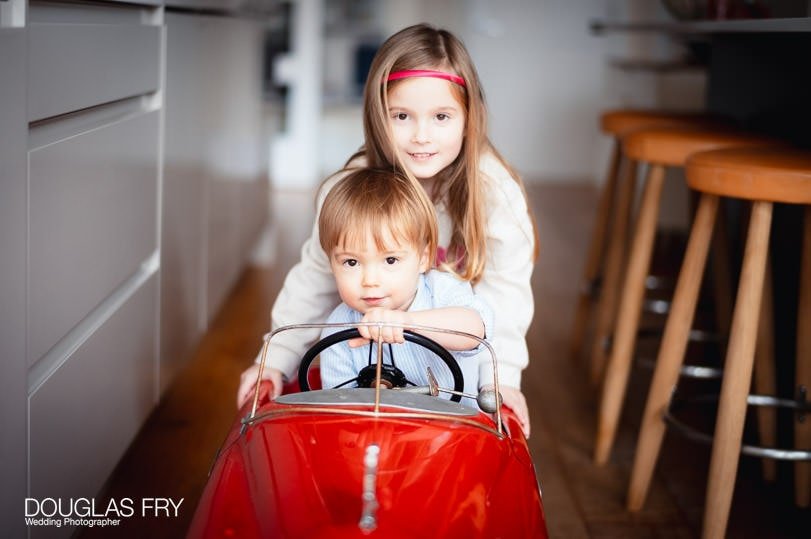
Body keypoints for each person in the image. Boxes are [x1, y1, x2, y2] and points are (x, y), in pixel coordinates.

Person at [237, 23, 537, 436]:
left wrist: (501, 382)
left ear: (469, 119)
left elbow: (505, 299)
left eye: (441, 117)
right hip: (368, 362)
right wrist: (274, 359)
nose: (421, 136)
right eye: (401, 116)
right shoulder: (348, 191)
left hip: (454, 373)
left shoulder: (495, 194)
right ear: (379, 116)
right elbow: (315, 279)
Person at [315, 168, 492, 408]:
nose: (370, 280)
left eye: (390, 260)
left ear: (423, 257)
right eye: (351, 262)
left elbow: (475, 330)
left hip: (455, 433)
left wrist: (405, 322)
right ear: (331, 263)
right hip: (378, 438)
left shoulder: (442, 290)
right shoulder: (337, 332)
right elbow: (340, 408)